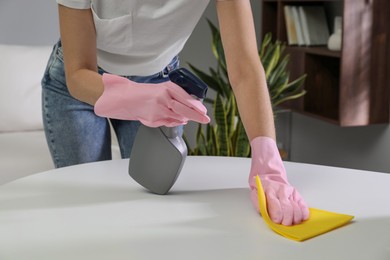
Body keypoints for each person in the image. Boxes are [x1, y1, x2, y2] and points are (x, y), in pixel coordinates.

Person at [42, 0, 310, 226]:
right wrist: (134, 97)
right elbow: (77, 75)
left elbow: (245, 67)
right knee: (88, 205)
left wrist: (267, 159)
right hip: (82, 86)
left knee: (150, 199)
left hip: (158, 80)